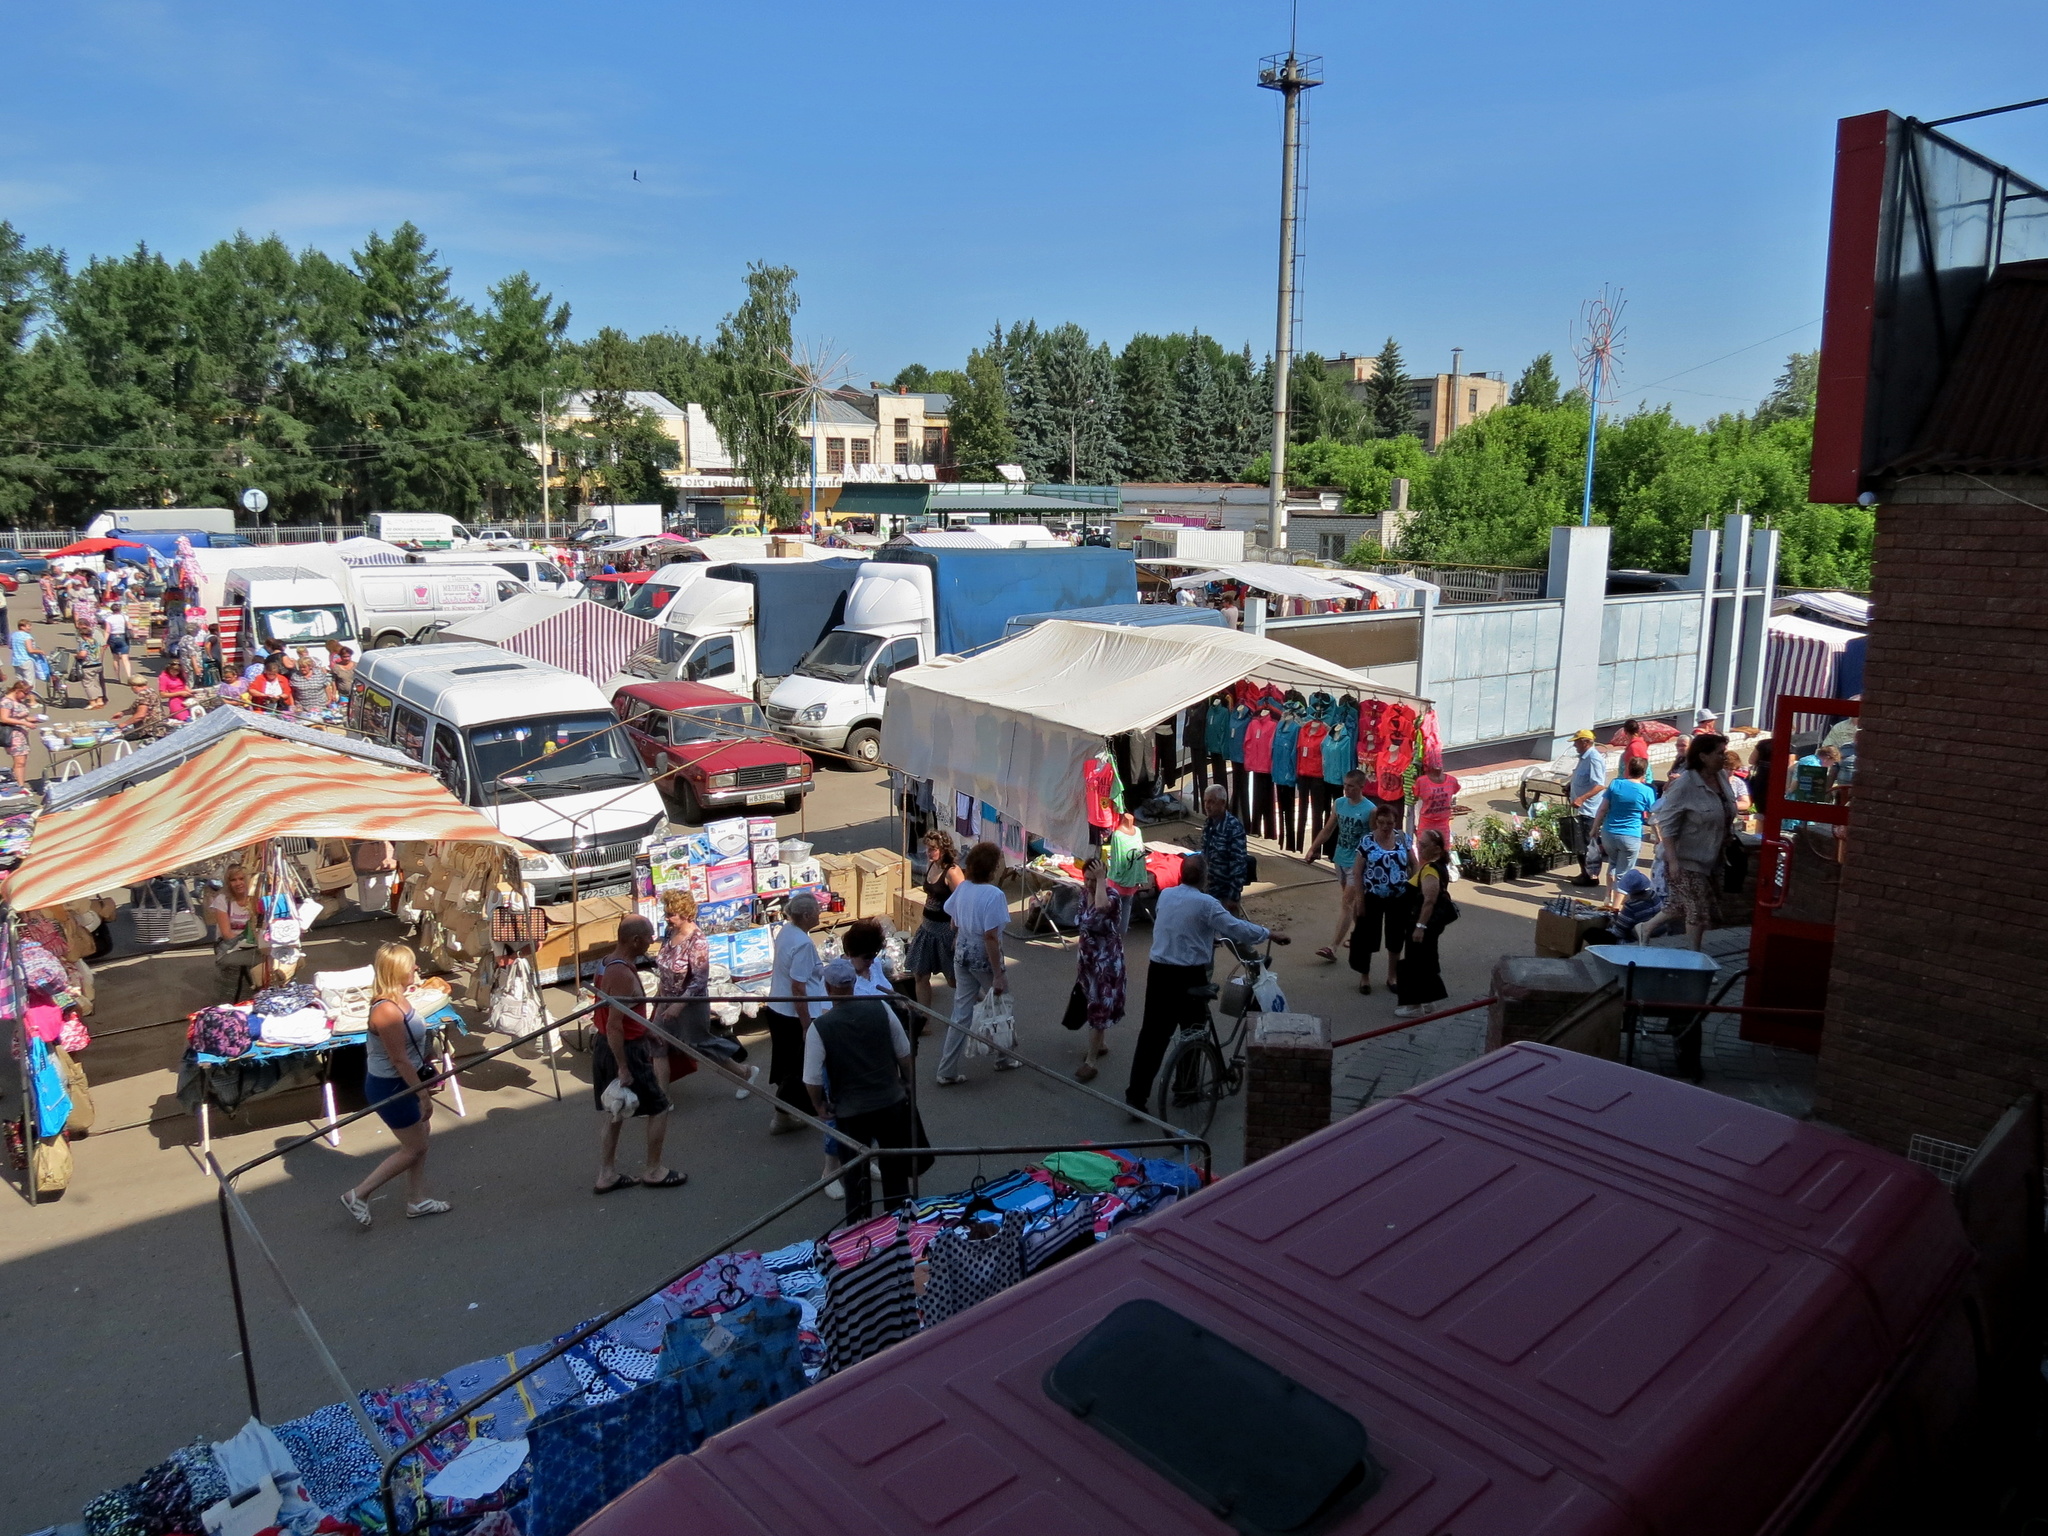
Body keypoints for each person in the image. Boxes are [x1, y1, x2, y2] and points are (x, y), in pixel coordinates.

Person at [1126, 852, 1281, 1116]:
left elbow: (1178, 925)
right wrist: (1270, 933)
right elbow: (1236, 928)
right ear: (1205, 878)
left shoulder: (1166, 895)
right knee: (1193, 1030)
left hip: (1159, 973)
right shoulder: (1207, 904)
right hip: (1189, 974)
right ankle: (1184, 1090)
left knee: (1152, 1036)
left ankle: (1136, 1097)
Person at [339, 942, 451, 1227]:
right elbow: (400, 1060)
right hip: (392, 1086)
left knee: (421, 1140)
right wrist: (423, 1094)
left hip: (405, 1081)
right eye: (410, 964)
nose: (416, 968)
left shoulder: (400, 998)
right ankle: (359, 1194)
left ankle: (416, 1199)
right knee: (413, 1148)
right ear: (396, 970)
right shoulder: (386, 1011)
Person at [805, 957, 915, 1222]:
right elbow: (904, 1053)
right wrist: (908, 1082)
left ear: (828, 989)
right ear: (854, 984)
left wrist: (820, 1106)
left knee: (856, 1180)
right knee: (895, 1174)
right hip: (890, 1102)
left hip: (851, 1112)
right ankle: (899, 1227)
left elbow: (811, 1078)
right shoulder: (880, 1009)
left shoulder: (820, 1027)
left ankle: (861, 1234)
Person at [592, 915, 684, 1192]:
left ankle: (606, 1174)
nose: (652, 940)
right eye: (648, 936)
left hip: (612, 1044)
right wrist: (624, 1067)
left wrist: (646, 1030)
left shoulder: (608, 961)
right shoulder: (620, 972)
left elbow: (621, 1017)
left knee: (616, 1109)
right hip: (622, 1049)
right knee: (658, 1107)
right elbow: (614, 1025)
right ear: (634, 940)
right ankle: (654, 1170)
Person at [1639, 734, 1737, 955]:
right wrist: (1673, 862)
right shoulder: (1685, 784)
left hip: (1713, 856)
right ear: (1703, 756)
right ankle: (1694, 957)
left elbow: (1727, 808)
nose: (1724, 757)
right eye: (1719, 753)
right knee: (1697, 911)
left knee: (1679, 905)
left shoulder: (1721, 777)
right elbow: (1668, 824)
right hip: (1685, 859)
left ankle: (1645, 928)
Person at [655, 888, 755, 1095]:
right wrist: (659, 998)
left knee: (701, 1044)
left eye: (670, 914)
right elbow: (664, 968)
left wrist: (678, 1005)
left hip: (690, 1005)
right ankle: (661, 1098)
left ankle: (744, 1072)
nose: (666, 918)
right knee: (656, 1042)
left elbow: (699, 980)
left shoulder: (697, 941)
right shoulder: (669, 932)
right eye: (665, 913)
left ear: (686, 915)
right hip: (665, 1000)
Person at [937, 840, 1014, 1084]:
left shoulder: (964, 888)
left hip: (961, 954)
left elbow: (952, 919)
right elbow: (991, 937)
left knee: (961, 1012)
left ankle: (946, 1069)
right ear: (993, 869)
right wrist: (998, 973)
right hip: (983, 957)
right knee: (1001, 1006)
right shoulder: (994, 895)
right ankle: (1004, 1057)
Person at [763, 891, 824, 1131]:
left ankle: (783, 1116)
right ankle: (783, 1113)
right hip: (791, 1014)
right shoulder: (803, 943)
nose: (820, 913)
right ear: (807, 915)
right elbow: (798, 987)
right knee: (797, 1067)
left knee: (785, 1063)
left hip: (777, 1008)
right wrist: (806, 1024)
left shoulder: (786, 932)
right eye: (817, 911)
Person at [1307, 769, 1376, 960]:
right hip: (1340, 858)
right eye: (1345, 785)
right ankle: (1361, 935)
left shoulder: (1370, 810)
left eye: (1351, 786)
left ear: (1361, 787)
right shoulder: (1339, 804)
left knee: (1346, 902)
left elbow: (1374, 839)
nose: (1346, 789)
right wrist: (1313, 848)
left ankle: (1332, 947)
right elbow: (1328, 829)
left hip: (1358, 863)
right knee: (1352, 903)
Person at [1347, 803, 1414, 995]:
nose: (1385, 827)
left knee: (1395, 938)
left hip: (1398, 897)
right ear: (1376, 822)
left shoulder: (1402, 839)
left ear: (1395, 822)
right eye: (1381, 823)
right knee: (1366, 938)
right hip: (1373, 897)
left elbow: (1414, 864)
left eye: (1389, 823)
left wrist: (1414, 890)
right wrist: (1359, 900)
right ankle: (1364, 977)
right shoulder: (1367, 841)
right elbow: (1358, 872)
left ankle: (1392, 976)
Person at [1070, 857, 1127, 1080]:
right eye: (1087, 879)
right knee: (1092, 1002)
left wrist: (1102, 880)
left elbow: (1101, 908)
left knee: (1098, 1008)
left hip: (1106, 963)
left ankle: (1091, 1061)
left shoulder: (1111, 897)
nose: (1090, 884)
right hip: (1089, 960)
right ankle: (1100, 1044)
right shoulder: (1084, 895)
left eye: (1094, 880)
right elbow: (1083, 922)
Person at [1393, 829, 1457, 1017]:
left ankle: (1414, 1005)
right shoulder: (1436, 866)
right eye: (1419, 844)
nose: (1419, 848)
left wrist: (1420, 926)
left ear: (1436, 849)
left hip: (1421, 924)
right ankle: (1428, 1001)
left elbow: (1429, 900)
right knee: (1427, 961)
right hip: (1427, 925)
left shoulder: (1430, 870)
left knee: (1414, 963)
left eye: (1423, 845)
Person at [903, 829, 962, 1012]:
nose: (928, 853)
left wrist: (958, 935)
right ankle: (924, 1019)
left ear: (943, 849)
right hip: (927, 930)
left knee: (954, 981)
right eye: (927, 848)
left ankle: (983, 1007)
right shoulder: (932, 865)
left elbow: (962, 902)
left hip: (946, 932)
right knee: (920, 975)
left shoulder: (952, 872)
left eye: (932, 849)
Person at [206, 866, 266, 1002]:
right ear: (228, 883)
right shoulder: (223, 900)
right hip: (230, 945)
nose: (238, 883)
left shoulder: (257, 898)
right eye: (233, 880)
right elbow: (227, 934)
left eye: (241, 879)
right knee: (235, 976)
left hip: (253, 944)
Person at [1598, 755, 1657, 886]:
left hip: (1609, 833)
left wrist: (1594, 828)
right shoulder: (1647, 791)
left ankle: (1608, 898)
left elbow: (1602, 809)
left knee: (1613, 864)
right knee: (1624, 873)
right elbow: (1653, 817)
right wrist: (1659, 837)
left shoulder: (1615, 783)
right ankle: (1618, 904)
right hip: (1631, 835)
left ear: (1628, 769)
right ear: (1644, 772)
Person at [1566, 729, 1609, 885]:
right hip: (1582, 808)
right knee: (1581, 844)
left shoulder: (1594, 759)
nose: (1575, 745)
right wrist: (1571, 786)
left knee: (1588, 845)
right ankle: (1584, 873)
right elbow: (1581, 777)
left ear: (1585, 742)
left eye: (1577, 742)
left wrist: (1581, 798)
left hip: (1589, 810)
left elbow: (1599, 785)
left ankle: (1591, 877)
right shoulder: (1584, 758)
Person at [1198, 783, 1249, 914]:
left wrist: (1233, 897)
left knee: (1228, 932)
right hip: (1208, 890)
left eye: (1211, 802)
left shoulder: (1233, 828)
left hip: (1225, 893)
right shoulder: (1208, 824)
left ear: (1222, 803)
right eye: (1205, 801)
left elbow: (1238, 865)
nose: (1207, 806)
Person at [1105, 810, 1147, 934]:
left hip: (1119, 881)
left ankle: (1114, 937)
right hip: (1132, 879)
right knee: (1125, 908)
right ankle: (1119, 936)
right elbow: (1140, 855)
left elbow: (1116, 860)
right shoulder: (1137, 832)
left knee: (1113, 911)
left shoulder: (1118, 835)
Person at [1414, 763, 1463, 854]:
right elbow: (1415, 795)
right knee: (1423, 851)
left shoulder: (1452, 781)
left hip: (1443, 823)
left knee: (1444, 852)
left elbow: (1456, 789)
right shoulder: (1421, 781)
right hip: (1426, 822)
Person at [0, 681, 35, 790]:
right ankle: (20, 786)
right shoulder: (6, 702)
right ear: (17, 691)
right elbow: (4, 718)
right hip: (13, 735)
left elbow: (18, 716)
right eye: (25, 693)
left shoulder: (17, 700)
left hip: (20, 735)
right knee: (20, 761)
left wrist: (34, 719)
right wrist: (25, 723)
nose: (26, 696)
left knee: (21, 760)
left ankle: (17, 782)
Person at [74, 621, 107, 709]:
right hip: (97, 663)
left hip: (88, 665)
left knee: (88, 684)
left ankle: (92, 702)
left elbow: (83, 654)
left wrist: (76, 655)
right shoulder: (95, 642)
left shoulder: (84, 643)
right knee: (96, 683)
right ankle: (100, 700)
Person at [101, 603, 134, 686]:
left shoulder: (108, 618)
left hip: (113, 637)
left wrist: (104, 642)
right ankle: (129, 676)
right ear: (120, 609)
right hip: (123, 637)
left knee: (115, 658)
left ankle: (117, 677)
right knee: (125, 658)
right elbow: (130, 627)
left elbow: (107, 630)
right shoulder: (125, 617)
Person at [156, 659, 194, 724]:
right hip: (176, 702)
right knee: (186, 720)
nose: (174, 673)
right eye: (172, 671)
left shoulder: (180, 675)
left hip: (187, 700)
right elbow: (162, 695)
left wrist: (191, 692)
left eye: (177, 671)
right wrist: (180, 693)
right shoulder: (164, 677)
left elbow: (184, 686)